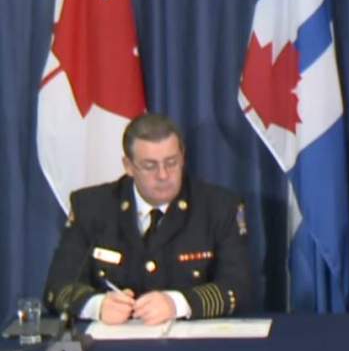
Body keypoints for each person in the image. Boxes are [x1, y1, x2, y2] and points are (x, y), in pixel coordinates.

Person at [43, 113, 253, 324]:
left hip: (193, 349)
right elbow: (58, 287)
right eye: (150, 166)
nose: (163, 175)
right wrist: (97, 305)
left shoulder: (219, 207)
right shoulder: (92, 207)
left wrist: (178, 304)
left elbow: (239, 287)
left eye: (171, 163)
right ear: (128, 166)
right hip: (113, 349)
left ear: (183, 158)